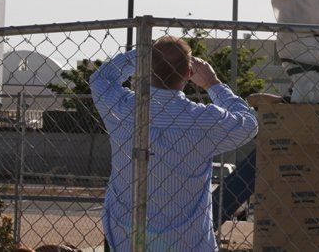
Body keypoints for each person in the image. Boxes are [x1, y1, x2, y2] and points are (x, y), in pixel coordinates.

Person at [92, 36, 258, 251]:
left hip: (129, 241)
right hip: (189, 243)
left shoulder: (123, 110)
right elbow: (249, 124)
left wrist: (141, 54)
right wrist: (212, 84)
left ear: (146, 69)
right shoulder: (203, 121)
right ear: (189, 74)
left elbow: (100, 79)